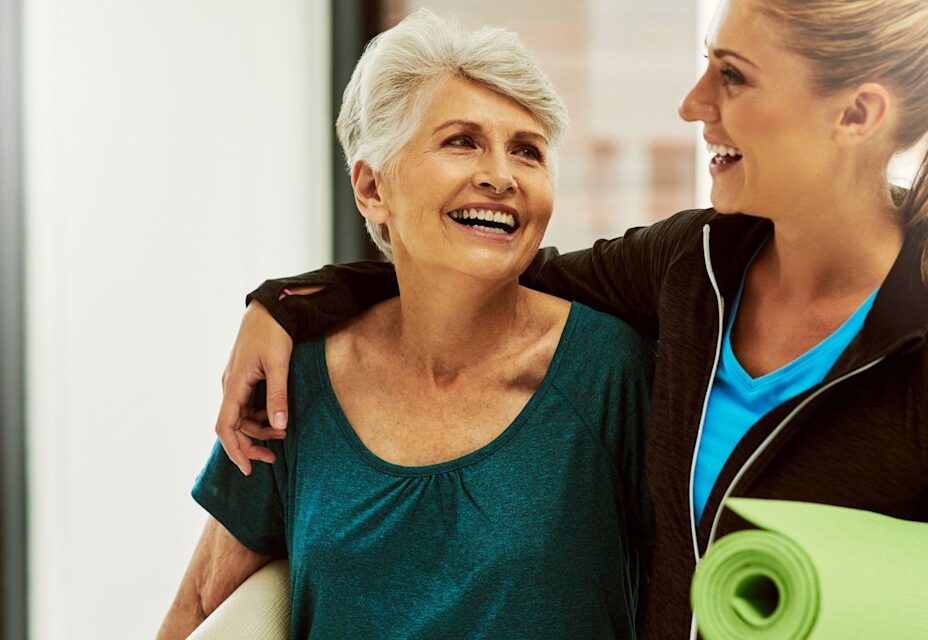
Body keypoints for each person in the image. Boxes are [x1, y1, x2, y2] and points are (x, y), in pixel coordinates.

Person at [214, 0, 928, 637]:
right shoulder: (693, 268)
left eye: (734, 76)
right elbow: (486, 267)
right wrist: (287, 305)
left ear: (856, 115)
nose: (694, 102)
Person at [158, 10, 653, 639]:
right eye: (462, 141)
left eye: (526, 151)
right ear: (371, 188)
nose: (501, 176)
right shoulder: (295, 379)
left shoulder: (609, 371)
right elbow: (200, 608)